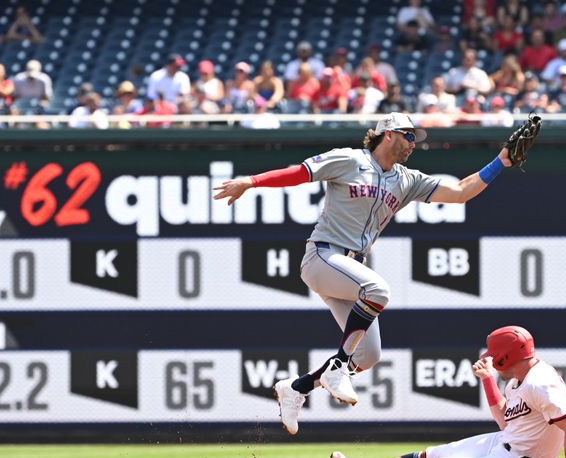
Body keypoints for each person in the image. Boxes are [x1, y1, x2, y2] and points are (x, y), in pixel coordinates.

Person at [212, 113, 519, 435]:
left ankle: (298, 388)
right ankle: (337, 367)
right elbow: (299, 173)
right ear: (388, 134)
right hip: (323, 256)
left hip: (350, 270)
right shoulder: (348, 160)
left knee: (369, 355)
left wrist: (501, 161)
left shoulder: (406, 179)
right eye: (409, 136)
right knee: (378, 291)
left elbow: (459, 192)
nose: (414, 144)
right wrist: (251, 181)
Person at [330, 325, 566, 458]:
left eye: (494, 356)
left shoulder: (541, 383)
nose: (491, 360)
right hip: (504, 442)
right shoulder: (520, 380)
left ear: (507, 356)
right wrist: (487, 380)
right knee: (429, 456)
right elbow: (505, 422)